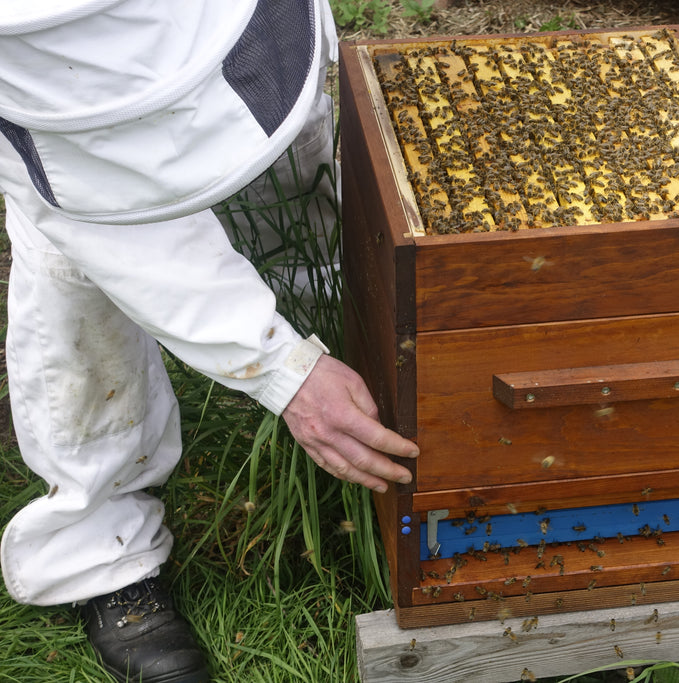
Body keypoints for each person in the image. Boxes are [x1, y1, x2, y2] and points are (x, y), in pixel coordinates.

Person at [0, 2, 418, 681]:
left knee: (289, 163)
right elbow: (112, 230)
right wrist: (280, 368)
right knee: (69, 265)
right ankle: (101, 544)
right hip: (42, 75)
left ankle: (335, 336)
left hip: (218, 19)